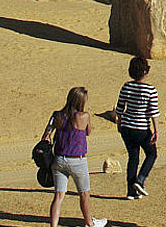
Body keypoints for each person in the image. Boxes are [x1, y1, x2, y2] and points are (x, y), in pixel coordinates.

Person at [42, 86, 108, 227]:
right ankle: (89, 223)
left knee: (58, 196)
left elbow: (46, 136)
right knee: (84, 194)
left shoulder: (56, 115)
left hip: (59, 160)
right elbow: (88, 132)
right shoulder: (83, 116)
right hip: (77, 161)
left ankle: (53, 225)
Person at [114, 57, 160, 199]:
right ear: (145, 72)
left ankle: (131, 190)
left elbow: (120, 108)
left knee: (133, 157)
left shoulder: (126, 86)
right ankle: (140, 180)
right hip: (141, 128)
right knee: (151, 154)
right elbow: (153, 112)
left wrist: (119, 123)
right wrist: (156, 130)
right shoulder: (150, 90)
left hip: (127, 127)